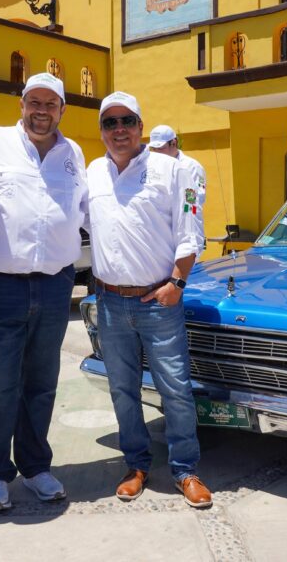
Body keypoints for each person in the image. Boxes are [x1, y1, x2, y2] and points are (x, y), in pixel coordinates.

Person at [0, 72, 89, 511]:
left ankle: (36, 468)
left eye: (51, 104)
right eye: (34, 101)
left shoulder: (73, 153)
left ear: (62, 110)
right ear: (21, 104)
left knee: (42, 382)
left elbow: (86, 210)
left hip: (54, 285)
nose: (41, 111)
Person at [86, 91, 212, 508]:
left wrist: (177, 282)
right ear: (102, 130)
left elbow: (190, 230)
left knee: (174, 388)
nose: (119, 130)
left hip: (158, 300)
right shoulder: (92, 173)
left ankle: (185, 470)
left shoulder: (171, 170)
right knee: (122, 389)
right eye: (110, 123)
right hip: (108, 302)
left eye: (127, 121)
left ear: (140, 126)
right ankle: (136, 464)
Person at [148, 125, 207, 251]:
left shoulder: (192, 167)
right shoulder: (152, 167)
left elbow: (193, 203)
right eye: (154, 149)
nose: (157, 152)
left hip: (186, 233)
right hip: (160, 236)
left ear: (173, 143)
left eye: (161, 148)